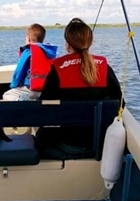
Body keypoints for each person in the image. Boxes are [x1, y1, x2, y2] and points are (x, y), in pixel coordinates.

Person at [36, 17, 123, 157]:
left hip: (69, 145)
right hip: (100, 144)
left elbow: (44, 108)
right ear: (90, 42)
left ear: (67, 44)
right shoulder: (105, 68)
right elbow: (120, 104)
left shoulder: (58, 70)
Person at [3, 23, 58, 101]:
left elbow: (19, 71)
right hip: (46, 89)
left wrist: (14, 85)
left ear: (28, 38)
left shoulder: (28, 51)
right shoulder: (49, 52)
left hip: (31, 88)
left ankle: (23, 100)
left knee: (7, 95)